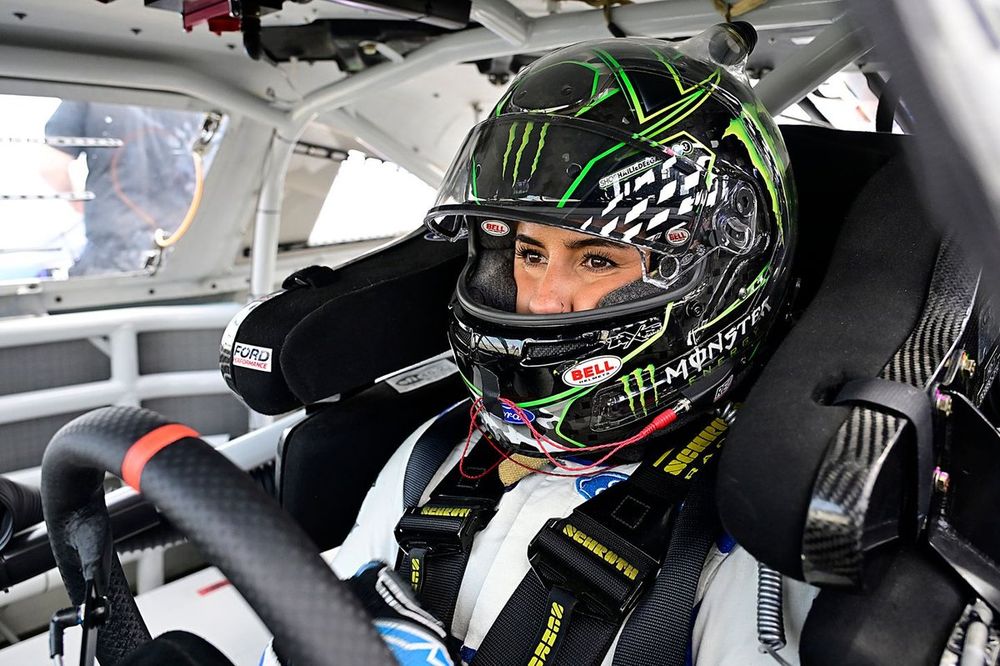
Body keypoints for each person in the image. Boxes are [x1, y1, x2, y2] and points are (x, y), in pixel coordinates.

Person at [267, 23, 816, 666]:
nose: (542, 300)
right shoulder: (437, 452)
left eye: (597, 260)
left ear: (717, 279)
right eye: (529, 254)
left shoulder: (742, 539)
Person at [41, 101, 203, 276]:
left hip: (111, 259)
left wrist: (78, 201)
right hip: (182, 257)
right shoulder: (196, 99)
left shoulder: (92, 93)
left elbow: (52, 167)